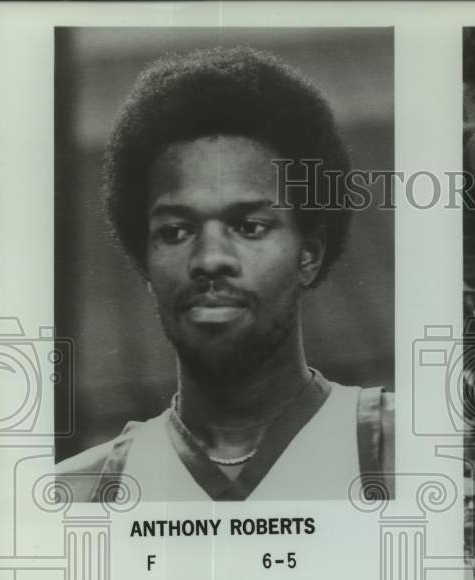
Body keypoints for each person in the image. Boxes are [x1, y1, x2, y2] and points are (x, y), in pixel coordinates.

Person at [56, 47, 394, 502]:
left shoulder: (417, 455)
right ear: (146, 266)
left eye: (249, 226)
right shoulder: (73, 495)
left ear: (308, 254)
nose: (210, 258)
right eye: (176, 231)